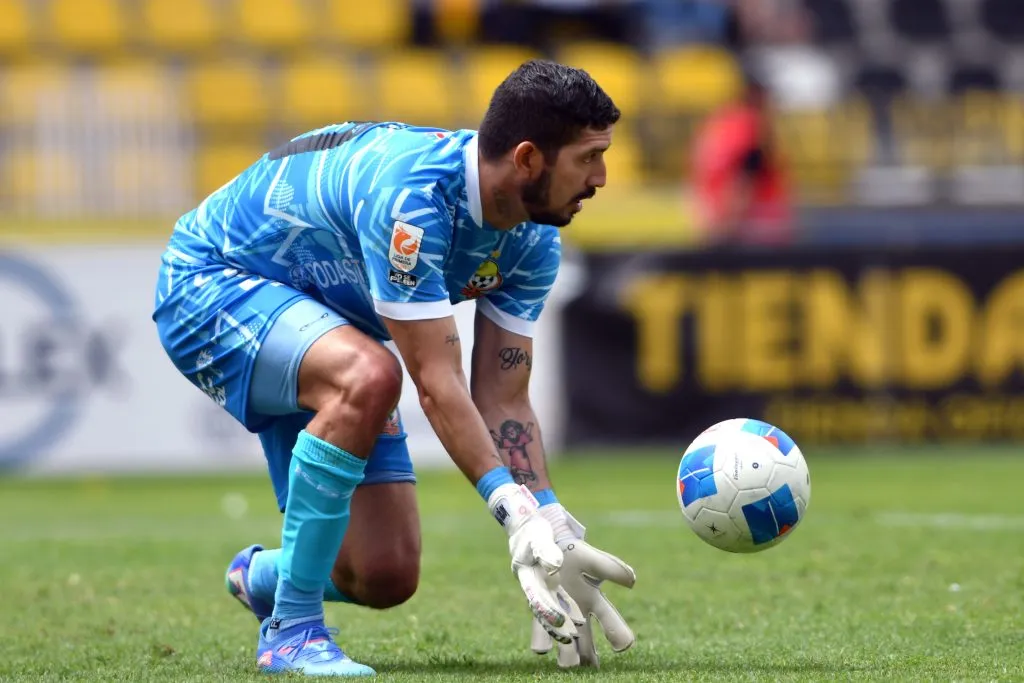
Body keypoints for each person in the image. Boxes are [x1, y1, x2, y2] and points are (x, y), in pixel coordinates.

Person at [152, 60, 637, 677]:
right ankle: (292, 633)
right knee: (370, 375)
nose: (601, 177)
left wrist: (549, 520)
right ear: (527, 159)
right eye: (589, 157)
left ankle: (262, 577)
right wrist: (512, 513)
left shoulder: (533, 239)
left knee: (383, 574)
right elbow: (436, 382)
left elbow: (504, 398)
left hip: (324, 322)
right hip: (211, 281)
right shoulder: (411, 200)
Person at [690, 67, 795, 246]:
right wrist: (730, 221)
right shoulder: (751, 124)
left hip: (711, 217)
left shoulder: (719, 122)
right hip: (750, 227)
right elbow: (744, 176)